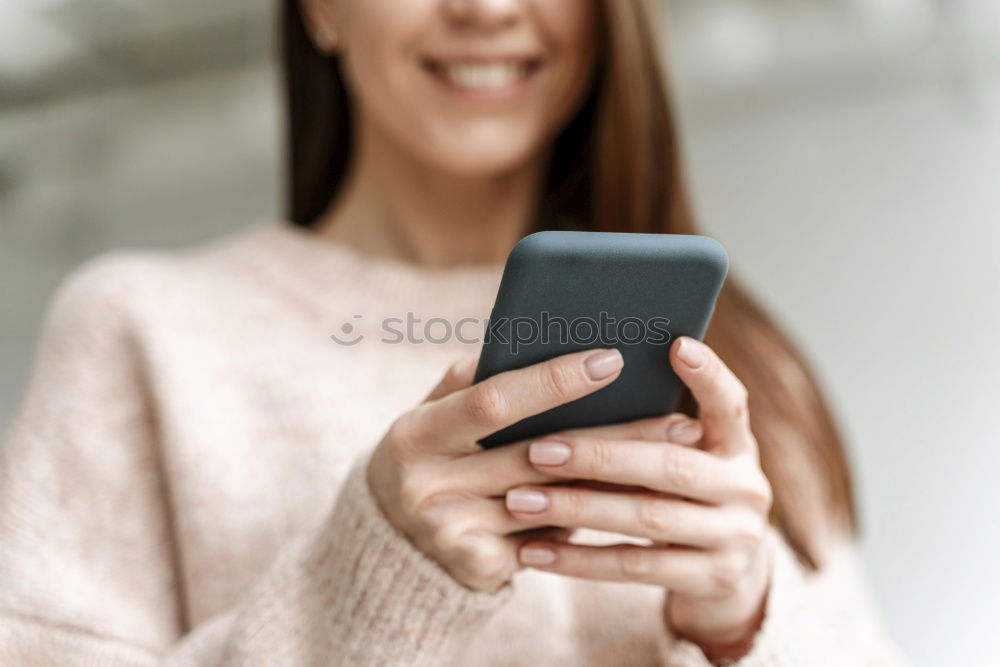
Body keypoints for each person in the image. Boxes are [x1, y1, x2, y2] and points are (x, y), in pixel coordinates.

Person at [0, 0, 907, 664]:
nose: (486, 9)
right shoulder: (140, 330)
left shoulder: (739, 359)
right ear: (319, 10)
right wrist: (362, 585)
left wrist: (745, 620)